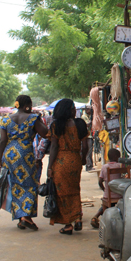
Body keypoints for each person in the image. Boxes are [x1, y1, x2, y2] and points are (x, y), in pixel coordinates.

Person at [0, 95, 48, 230]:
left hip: (10, 155)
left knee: (15, 186)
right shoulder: (32, 118)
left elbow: (2, 141)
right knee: (29, 184)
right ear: (28, 105)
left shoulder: (6, 119)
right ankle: (26, 217)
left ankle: (20, 218)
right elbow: (45, 133)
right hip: (25, 154)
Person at [46, 99, 89, 235]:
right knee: (75, 189)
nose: (74, 110)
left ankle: (68, 224)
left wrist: (50, 166)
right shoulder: (80, 124)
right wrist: (82, 159)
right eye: (73, 108)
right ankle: (78, 218)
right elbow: (85, 146)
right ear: (69, 110)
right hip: (75, 160)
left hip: (60, 161)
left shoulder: (55, 125)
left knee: (62, 192)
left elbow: (53, 147)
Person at [90, 148, 124, 228]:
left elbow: (100, 182)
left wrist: (105, 190)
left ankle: (96, 217)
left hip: (108, 195)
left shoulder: (104, 167)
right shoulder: (119, 166)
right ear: (116, 157)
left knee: (106, 203)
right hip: (119, 195)